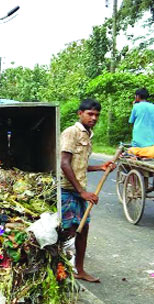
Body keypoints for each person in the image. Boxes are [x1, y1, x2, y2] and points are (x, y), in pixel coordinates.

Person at [60, 99, 115, 283]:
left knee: (84, 229)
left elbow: (79, 166)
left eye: (97, 115)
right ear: (80, 113)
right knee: (68, 230)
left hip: (78, 189)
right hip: (66, 189)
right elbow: (64, 164)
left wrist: (100, 167)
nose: (94, 118)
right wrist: (82, 192)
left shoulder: (88, 135)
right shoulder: (71, 132)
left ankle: (80, 270)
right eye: (90, 114)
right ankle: (60, 268)